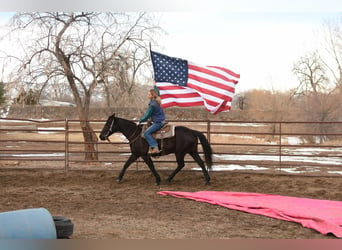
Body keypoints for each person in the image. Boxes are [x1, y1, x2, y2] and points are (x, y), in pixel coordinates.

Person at [139, 88, 165, 154]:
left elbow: (147, 114)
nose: (148, 95)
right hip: (160, 121)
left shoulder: (153, 104)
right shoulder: (157, 102)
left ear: (152, 95)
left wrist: (140, 120)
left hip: (158, 122)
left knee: (146, 133)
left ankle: (155, 147)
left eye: (149, 94)